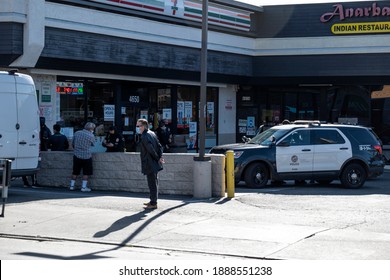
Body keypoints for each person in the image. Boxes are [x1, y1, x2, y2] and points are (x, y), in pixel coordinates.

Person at [136, 118, 164, 210]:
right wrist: (159, 157)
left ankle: (153, 203)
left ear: (143, 126)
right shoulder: (152, 133)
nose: (137, 128)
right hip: (153, 162)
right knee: (154, 182)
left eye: (138, 126)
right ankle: (152, 200)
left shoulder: (144, 136)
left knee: (152, 183)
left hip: (150, 163)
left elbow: (150, 149)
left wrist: (157, 158)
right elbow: (160, 146)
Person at [69, 122, 96, 192]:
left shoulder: (77, 133)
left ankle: (72, 186)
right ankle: (83, 187)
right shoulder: (91, 136)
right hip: (87, 156)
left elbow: (73, 143)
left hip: (77, 155)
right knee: (86, 172)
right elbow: (93, 144)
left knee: (75, 171)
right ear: (91, 129)